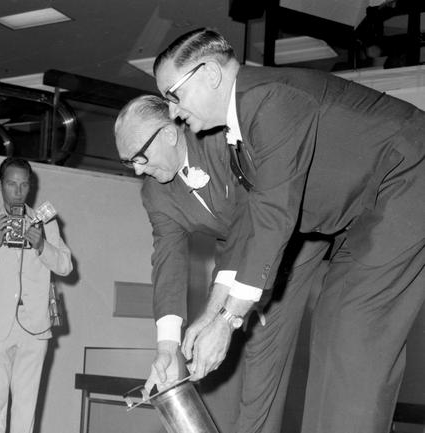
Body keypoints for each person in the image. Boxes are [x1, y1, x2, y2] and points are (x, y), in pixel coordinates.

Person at [153, 28, 425, 433]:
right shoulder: (240, 132)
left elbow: (276, 215)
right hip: (366, 209)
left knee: (355, 328)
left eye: (174, 95)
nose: (173, 112)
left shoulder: (271, 100)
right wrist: (211, 316)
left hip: (408, 177)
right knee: (334, 320)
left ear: (209, 73)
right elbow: (250, 222)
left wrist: (227, 322)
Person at [115, 95, 329, 433]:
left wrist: (227, 311)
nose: (138, 169)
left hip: (288, 245)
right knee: (214, 366)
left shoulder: (223, 141)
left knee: (262, 355)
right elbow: (168, 259)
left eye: (139, 157)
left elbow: (256, 221)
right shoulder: (154, 193)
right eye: (129, 163)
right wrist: (167, 347)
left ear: (169, 134)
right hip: (234, 256)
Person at [0, 157, 72, 433]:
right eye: (11, 184)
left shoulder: (46, 222)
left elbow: (65, 267)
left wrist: (42, 246)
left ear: (30, 186)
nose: (18, 191)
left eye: (24, 184)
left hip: (35, 327)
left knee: (26, 407)